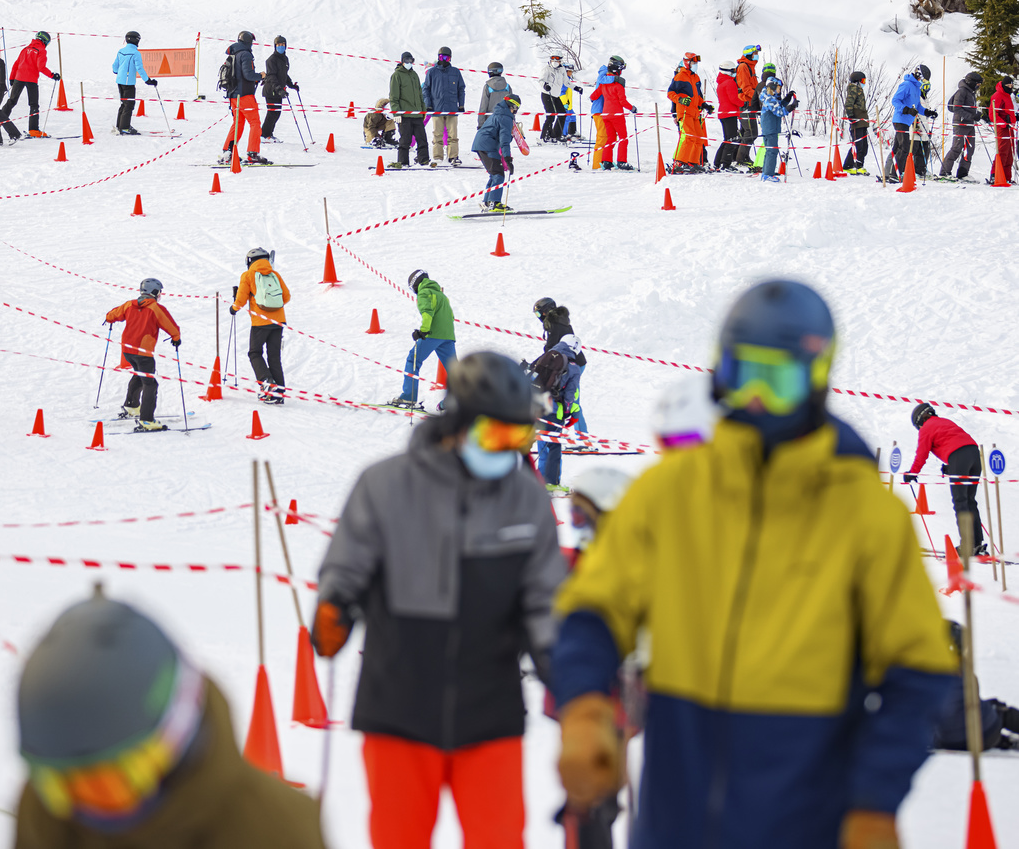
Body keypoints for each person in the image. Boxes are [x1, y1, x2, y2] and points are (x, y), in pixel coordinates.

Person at [552, 279, 958, 849]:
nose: (759, 403)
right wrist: (586, 707)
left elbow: (917, 669)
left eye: (779, 381)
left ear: (817, 381)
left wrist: (874, 800)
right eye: (745, 377)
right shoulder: (671, 492)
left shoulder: (866, 514)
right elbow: (594, 610)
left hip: (807, 816)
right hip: (676, 815)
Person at [312, 351, 563, 849]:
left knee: (499, 839)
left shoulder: (527, 498)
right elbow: (347, 563)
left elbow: (544, 598)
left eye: (520, 439)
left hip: (490, 711)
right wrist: (335, 605)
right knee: (398, 838)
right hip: (399, 708)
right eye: (497, 436)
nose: (508, 453)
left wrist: (565, 664)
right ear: (459, 422)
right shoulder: (384, 486)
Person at [13, 585, 325, 848]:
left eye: (110, 785)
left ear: (175, 737)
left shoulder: (275, 830)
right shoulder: (49, 812)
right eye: (58, 785)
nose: (85, 807)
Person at [557, 467, 634, 849]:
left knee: (603, 796)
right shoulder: (568, 562)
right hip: (576, 702)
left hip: (618, 703)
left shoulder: (631, 569)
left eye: (583, 516)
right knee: (585, 798)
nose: (577, 525)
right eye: (573, 515)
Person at [904, 403, 986, 554]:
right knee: (969, 500)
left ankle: (968, 546)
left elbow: (922, 453)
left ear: (919, 421)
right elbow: (956, 442)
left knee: (960, 501)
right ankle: (977, 544)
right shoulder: (945, 422)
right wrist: (951, 466)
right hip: (974, 454)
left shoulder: (926, 428)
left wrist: (912, 473)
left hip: (959, 457)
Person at [105, 279, 181, 433]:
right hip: (143, 353)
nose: (160, 295)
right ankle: (147, 419)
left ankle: (132, 406)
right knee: (150, 384)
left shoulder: (129, 304)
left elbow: (112, 315)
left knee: (140, 376)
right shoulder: (155, 308)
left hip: (128, 351)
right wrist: (176, 338)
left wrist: (109, 319)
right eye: (159, 292)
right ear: (154, 292)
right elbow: (171, 326)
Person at [933, 621, 1019, 752]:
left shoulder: (919, 672)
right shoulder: (964, 671)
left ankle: (1003, 741)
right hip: (986, 734)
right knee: (998, 711)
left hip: (943, 741)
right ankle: (1000, 740)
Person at [388, 270, 455, 409]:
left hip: (432, 334)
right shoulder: (441, 295)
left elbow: (427, 313)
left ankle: (408, 397)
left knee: (413, 360)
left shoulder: (424, 293)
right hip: (448, 336)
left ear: (415, 284)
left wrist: (423, 331)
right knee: (455, 369)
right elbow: (451, 316)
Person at [230, 248, 290, 404]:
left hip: (260, 322)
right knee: (274, 357)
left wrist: (234, 308)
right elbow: (286, 296)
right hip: (278, 322)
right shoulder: (275, 274)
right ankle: (279, 393)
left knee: (255, 353)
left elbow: (241, 299)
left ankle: (267, 381)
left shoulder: (248, 275)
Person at [531, 333, 585, 491]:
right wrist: (568, 412)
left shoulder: (546, 356)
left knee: (537, 442)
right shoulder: (573, 367)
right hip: (553, 410)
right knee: (553, 446)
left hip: (533, 405)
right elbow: (570, 394)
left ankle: (534, 479)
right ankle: (552, 483)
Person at [219, 31, 268, 165]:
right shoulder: (245, 54)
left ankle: (227, 152)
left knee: (238, 123)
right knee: (255, 123)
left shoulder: (233, 53)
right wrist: (261, 76)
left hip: (233, 96)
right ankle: (253, 153)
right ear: (248, 42)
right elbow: (248, 75)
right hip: (245, 95)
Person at [4, 31, 60, 138]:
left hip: (18, 78)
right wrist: (53, 75)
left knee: (12, 101)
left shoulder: (25, 49)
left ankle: (0, 119)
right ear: (45, 41)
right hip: (31, 80)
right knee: (33, 104)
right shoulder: (41, 50)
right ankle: (33, 130)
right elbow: (41, 67)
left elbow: (16, 64)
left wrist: (12, 78)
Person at [472, 92, 520, 212]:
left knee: (494, 174)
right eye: (516, 108)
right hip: (487, 145)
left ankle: (488, 202)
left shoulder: (499, 112)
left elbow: (502, 136)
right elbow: (504, 141)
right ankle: (495, 203)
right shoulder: (506, 117)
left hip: (482, 144)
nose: (516, 111)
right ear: (512, 106)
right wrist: (508, 159)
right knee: (498, 174)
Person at [888, 65, 936, 180]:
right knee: (905, 147)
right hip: (900, 119)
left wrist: (928, 112)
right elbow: (895, 100)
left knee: (898, 147)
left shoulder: (916, 88)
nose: (922, 82)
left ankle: (891, 172)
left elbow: (918, 106)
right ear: (919, 74)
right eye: (923, 79)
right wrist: (906, 109)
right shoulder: (906, 85)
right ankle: (896, 174)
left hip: (907, 121)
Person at [667, 52, 712, 173]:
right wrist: (680, 100)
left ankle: (693, 162)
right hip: (685, 111)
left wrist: (705, 105)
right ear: (687, 63)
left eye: (696, 63)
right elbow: (670, 93)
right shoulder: (680, 77)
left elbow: (698, 96)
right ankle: (679, 162)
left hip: (695, 112)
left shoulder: (695, 77)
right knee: (688, 137)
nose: (695, 65)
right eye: (693, 62)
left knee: (698, 138)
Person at [591, 56, 637, 171]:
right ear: (618, 70)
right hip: (617, 115)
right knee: (623, 138)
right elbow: (622, 101)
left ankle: (607, 161)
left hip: (605, 115)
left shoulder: (603, 83)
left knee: (610, 138)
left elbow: (593, 96)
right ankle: (621, 161)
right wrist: (632, 108)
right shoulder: (618, 85)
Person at [422, 45, 465, 166]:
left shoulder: (455, 72)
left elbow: (461, 88)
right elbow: (426, 89)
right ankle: (437, 157)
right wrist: (428, 105)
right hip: (437, 108)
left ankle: (453, 157)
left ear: (450, 58)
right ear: (438, 57)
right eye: (441, 57)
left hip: (452, 108)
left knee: (453, 135)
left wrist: (461, 105)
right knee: (437, 134)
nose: (444, 60)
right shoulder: (432, 72)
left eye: (446, 57)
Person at [938, 71, 982, 181]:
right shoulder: (962, 91)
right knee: (957, 148)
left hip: (969, 124)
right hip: (961, 123)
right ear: (971, 82)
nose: (978, 86)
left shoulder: (971, 93)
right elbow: (957, 108)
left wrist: (976, 116)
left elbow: (969, 108)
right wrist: (971, 116)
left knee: (969, 150)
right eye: (977, 84)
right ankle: (944, 172)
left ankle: (963, 173)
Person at [388, 52, 429, 169]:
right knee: (405, 140)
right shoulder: (396, 75)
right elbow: (393, 97)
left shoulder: (414, 75)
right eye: (406, 60)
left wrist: (423, 111)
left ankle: (424, 160)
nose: (409, 63)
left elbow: (420, 95)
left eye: (411, 60)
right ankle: (403, 162)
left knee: (422, 139)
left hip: (417, 114)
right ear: (402, 61)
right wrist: (396, 112)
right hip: (404, 115)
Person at [113, 31, 155, 137]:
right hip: (128, 83)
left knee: (124, 103)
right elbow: (139, 68)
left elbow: (114, 66)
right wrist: (147, 80)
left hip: (120, 81)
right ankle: (125, 127)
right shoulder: (136, 53)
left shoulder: (121, 51)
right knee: (129, 104)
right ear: (136, 40)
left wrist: (118, 72)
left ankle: (120, 125)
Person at [758, 75, 797, 182]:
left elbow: (778, 105)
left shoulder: (769, 97)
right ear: (773, 87)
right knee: (772, 151)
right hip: (770, 128)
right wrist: (791, 107)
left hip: (771, 128)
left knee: (770, 151)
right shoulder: (769, 98)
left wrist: (787, 99)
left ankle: (766, 173)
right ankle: (768, 174)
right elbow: (779, 112)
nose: (780, 90)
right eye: (779, 87)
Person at [260, 35, 298, 140]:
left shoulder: (285, 59)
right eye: (278, 45)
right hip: (271, 89)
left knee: (277, 113)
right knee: (272, 112)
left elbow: (284, 74)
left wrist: (291, 85)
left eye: (282, 45)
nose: (281, 46)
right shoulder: (271, 60)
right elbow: (272, 76)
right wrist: (279, 89)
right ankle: (263, 135)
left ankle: (269, 134)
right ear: (275, 46)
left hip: (278, 90)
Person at [532, 297, 587, 366]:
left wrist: (535, 364)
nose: (539, 316)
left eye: (538, 314)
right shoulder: (561, 321)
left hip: (572, 364)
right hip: (576, 361)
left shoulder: (554, 325)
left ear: (545, 311)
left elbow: (550, 350)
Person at [734, 45, 761, 168]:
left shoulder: (751, 67)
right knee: (751, 132)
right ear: (749, 54)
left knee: (746, 132)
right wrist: (759, 97)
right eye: (755, 53)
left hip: (750, 103)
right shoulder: (743, 66)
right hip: (746, 104)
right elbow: (746, 88)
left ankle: (743, 156)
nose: (757, 55)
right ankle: (740, 158)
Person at [713, 60, 742, 170]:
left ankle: (718, 162)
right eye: (733, 71)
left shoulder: (721, 82)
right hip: (730, 113)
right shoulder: (730, 82)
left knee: (727, 139)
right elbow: (733, 99)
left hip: (723, 113)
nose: (734, 73)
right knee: (732, 139)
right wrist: (743, 103)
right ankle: (726, 163)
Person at [841, 71, 870, 174]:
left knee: (863, 145)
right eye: (862, 81)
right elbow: (849, 103)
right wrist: (851, 117)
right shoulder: (853, 89)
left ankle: (855, 165)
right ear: (857, 81)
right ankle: (852, 166)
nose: (864, 83)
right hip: (857, 120)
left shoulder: (859, 89)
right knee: (858, 145)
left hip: (862, 120)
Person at [987, 75, 1015, 185]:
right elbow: (992, 114)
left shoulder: (1008, 95)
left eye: (1011, 85)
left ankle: (1007, 176)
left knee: (1009, 154)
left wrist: (1013, 118)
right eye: (1008, 85)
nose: (1010, 87)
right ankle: (995, 175)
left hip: (1009, 127)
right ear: (1003, 85)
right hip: (1002, 127)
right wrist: (1003, 123)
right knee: (1002, 152)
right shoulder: (997, 95)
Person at [540, 54, 569, 142]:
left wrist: (576, 88)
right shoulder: (547, 69)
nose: (555, 62)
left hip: (556, 95)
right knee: (551, 116)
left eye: (557, 60)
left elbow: (566, 82)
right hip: (547, 94)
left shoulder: (562, 69)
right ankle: (544, 136)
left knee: (562, 114)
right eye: (553, 60)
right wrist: (545, 85)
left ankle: (555, 135)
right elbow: (541, 80)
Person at [476, 62, 510, 128]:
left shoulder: (488, 86)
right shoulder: (507, 86)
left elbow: (483, 105)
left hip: (491, 120)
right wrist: (512, 120)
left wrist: (481, 123)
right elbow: (511, 105)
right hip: (505, 119)